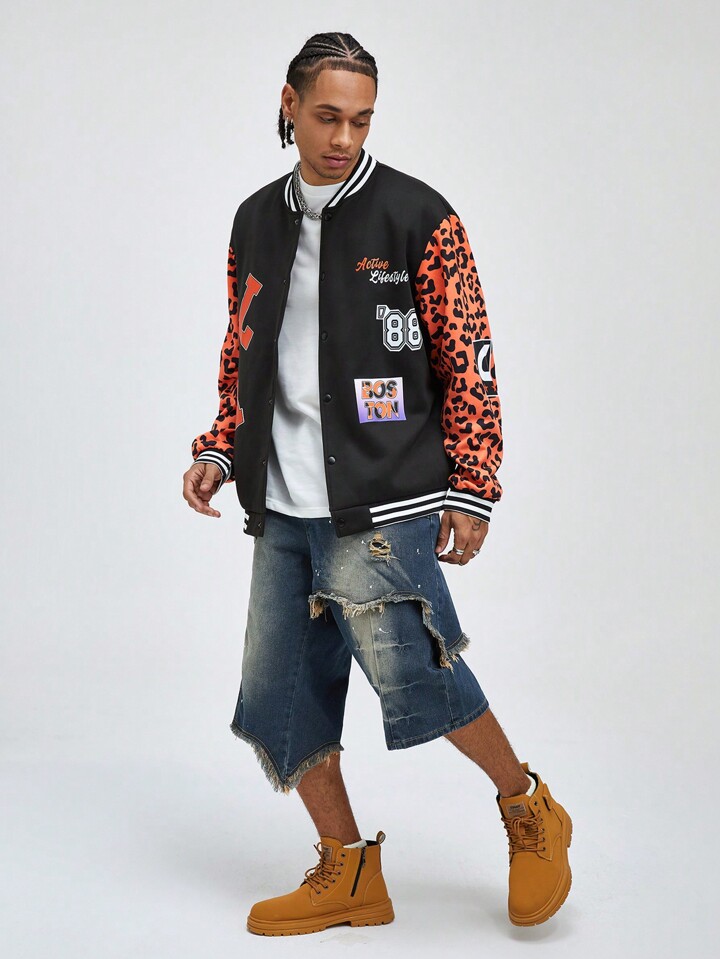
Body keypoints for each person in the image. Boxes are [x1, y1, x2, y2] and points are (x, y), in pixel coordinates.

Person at [182, 31, 572, 936]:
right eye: (327, 116)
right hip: (281, 506)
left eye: (361, 120)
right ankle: (349, 869)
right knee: (283, 696)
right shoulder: (253, 220)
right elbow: (244, 349)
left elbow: (469, 354)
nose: (343, 138)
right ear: (288, 104)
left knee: (418, 674)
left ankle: (528, 807)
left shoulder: (418, 216)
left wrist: (473, 482)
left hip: (382, 500)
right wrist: (222, 445)